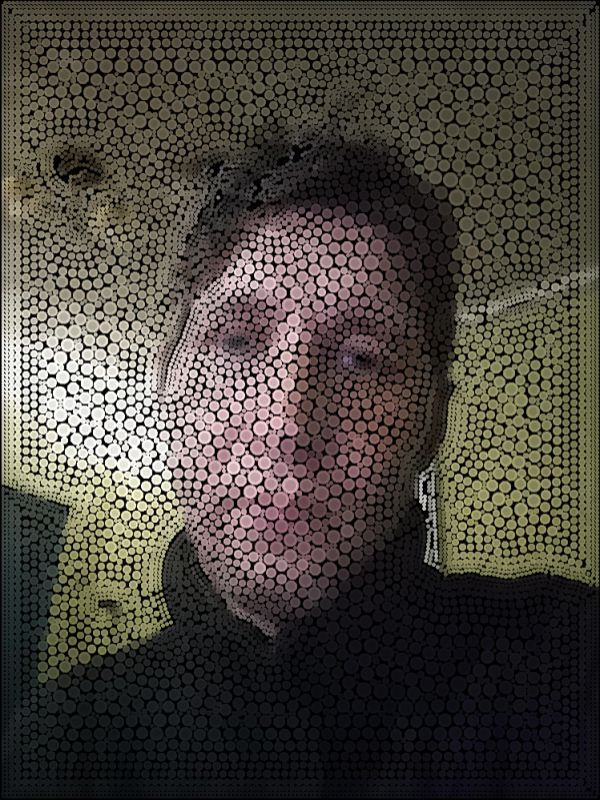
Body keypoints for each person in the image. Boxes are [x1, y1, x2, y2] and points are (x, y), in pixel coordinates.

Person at [6, 126, 598, 798]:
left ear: (432, 421)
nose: (287, 424)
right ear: (169, 384)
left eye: (362, 359)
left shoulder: (566, 667)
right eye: (237, 342)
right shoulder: (62, 740)